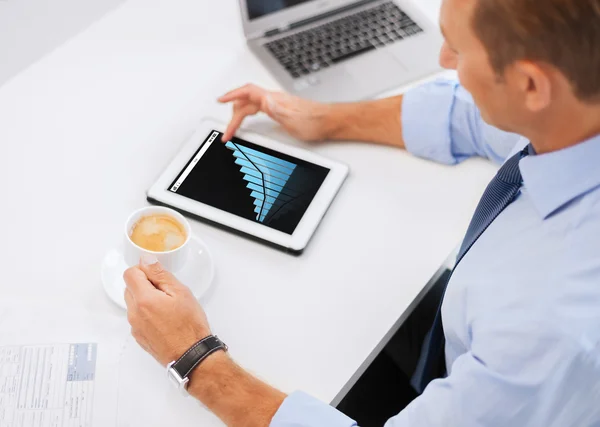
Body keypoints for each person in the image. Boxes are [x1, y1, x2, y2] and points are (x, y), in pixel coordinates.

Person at [123, 0, 600, 425]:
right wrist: (325, 118)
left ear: (532, 84)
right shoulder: (576, 111)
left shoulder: (550, 329)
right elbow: (469, 115)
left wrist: (195, 361)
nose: (442, 61)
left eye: (458, 49)